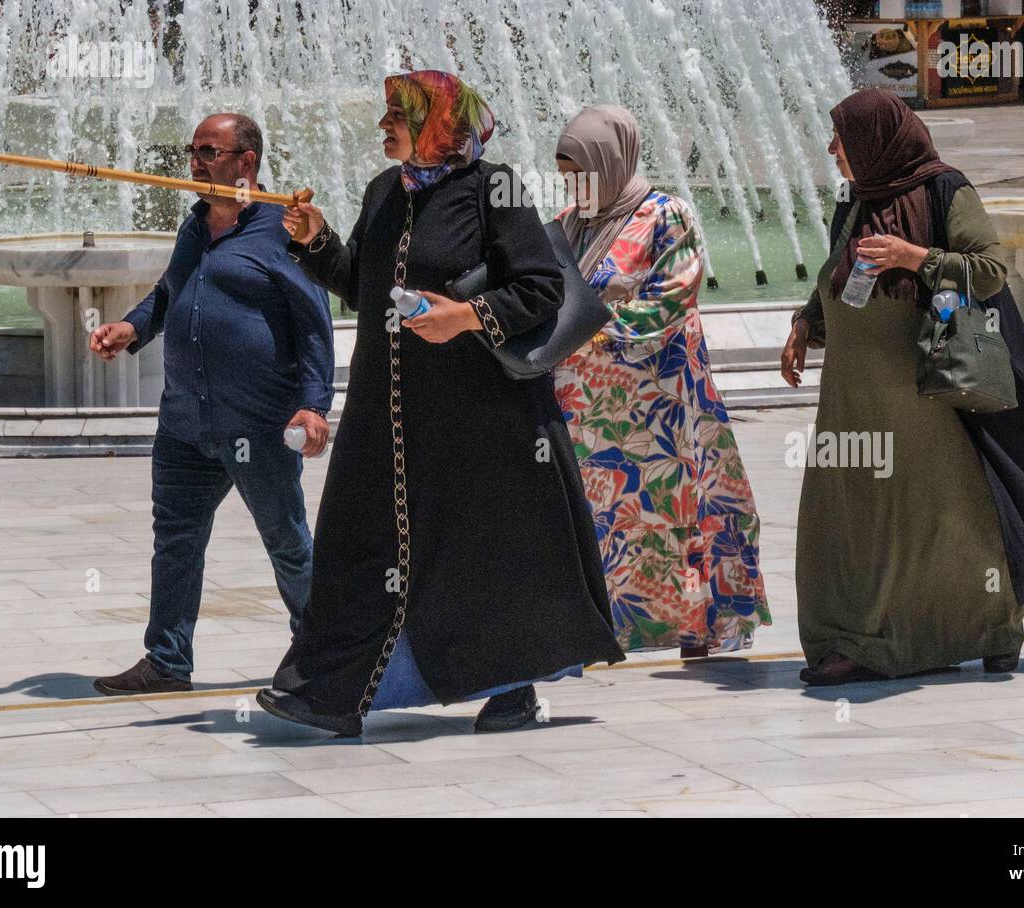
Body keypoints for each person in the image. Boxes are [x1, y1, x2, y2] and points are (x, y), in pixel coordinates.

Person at [256, 71, 623, 737]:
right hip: (385, 418)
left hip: (477, 420)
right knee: (357, 548)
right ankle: (327, 694)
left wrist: (468, 315)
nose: (383, 126)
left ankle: (510, 690)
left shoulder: (495, 187)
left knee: (481, 556)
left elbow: (541, 287)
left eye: (398, 114)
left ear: (442, 122)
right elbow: (361, 288)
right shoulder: (384, 193)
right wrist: (316, 242)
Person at [781, 88, 1024, 687]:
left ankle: (989, 627)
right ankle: (852, 637)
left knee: (940, 515)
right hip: (850, 393)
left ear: (876, 141)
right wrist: (803, 323)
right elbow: (835, 272)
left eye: (842, 137)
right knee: (848, 515)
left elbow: (991, 269)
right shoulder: (856, 199)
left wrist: (913, 256)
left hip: (922, 389)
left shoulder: (945, 189)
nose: (833, 149)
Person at [88, 113, 334, 695]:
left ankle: (324, 656)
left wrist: (315, 404)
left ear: (246, 162)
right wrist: (132, 327)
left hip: (256, 423)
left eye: (209, 151)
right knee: (175, 540)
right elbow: (173, 291)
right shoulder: (195, 226)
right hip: (184, 422)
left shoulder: (283, 230)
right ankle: (167, 661)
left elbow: (316, 324)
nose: (195, 162)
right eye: (192, 151)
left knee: (287, 540)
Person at [552, 105, 769, 659]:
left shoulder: (664, 215)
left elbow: (673, 294)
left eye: (580, 171)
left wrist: (597, 331)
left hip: (663, 404)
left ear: (611, 160)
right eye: (564, 172)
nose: (572, 184)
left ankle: (694, 625)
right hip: (594, 411)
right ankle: (610, 629)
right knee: (610, 519)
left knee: (675, 512)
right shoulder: (572, 222)